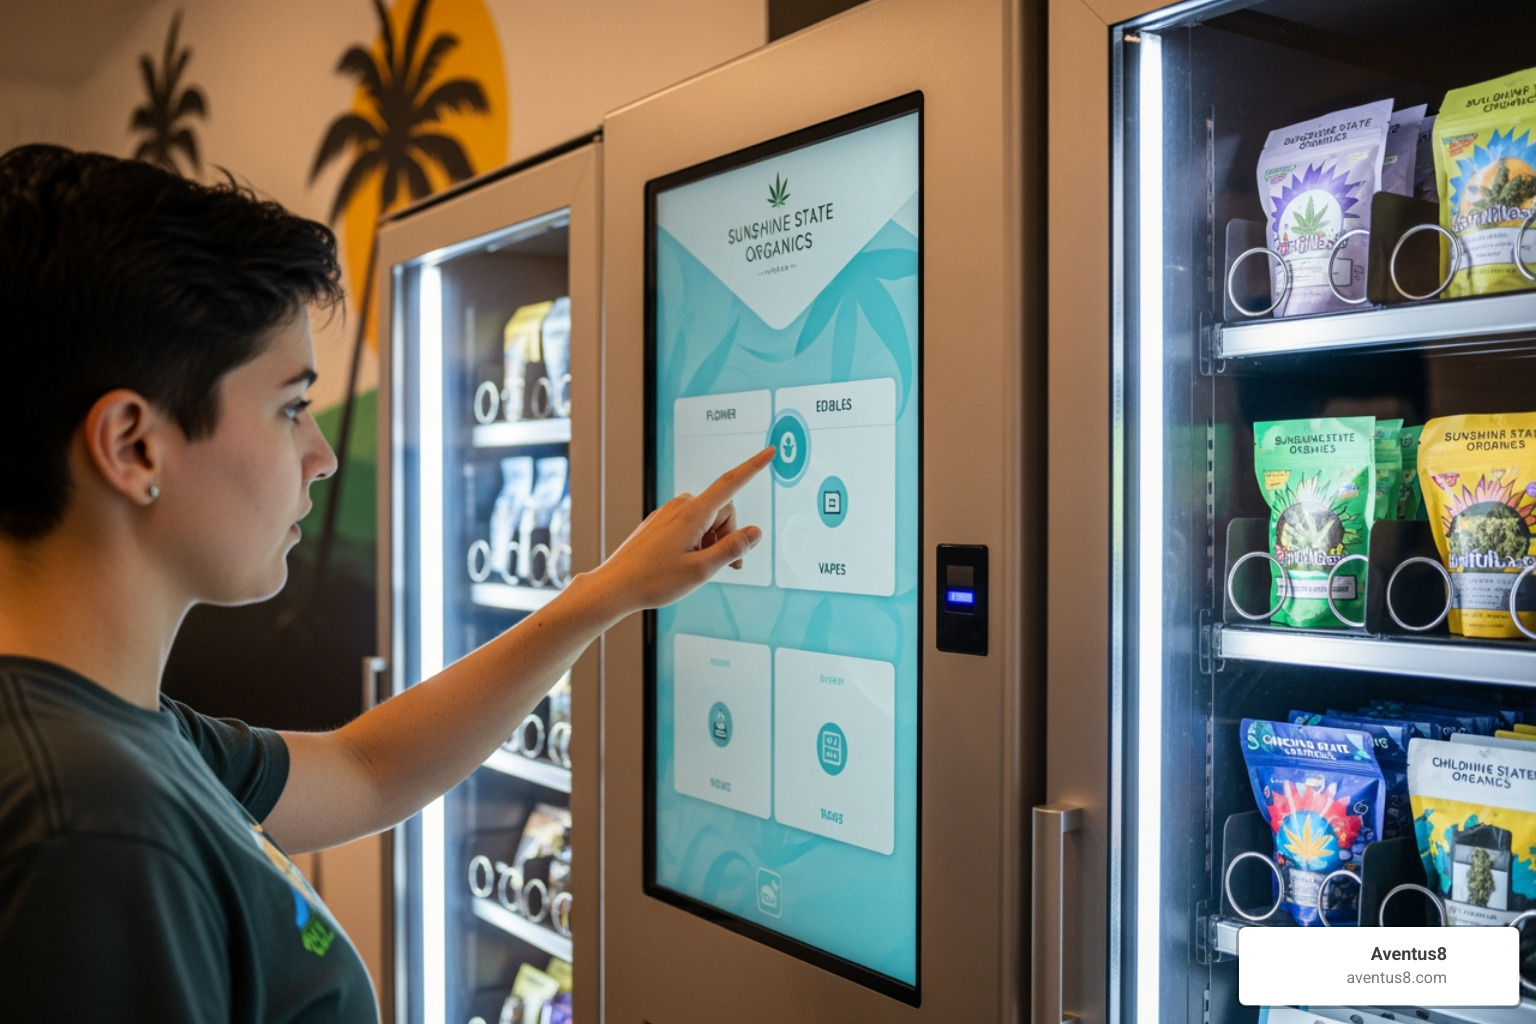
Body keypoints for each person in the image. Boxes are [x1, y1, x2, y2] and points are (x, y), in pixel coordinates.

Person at [0, 144, 770, 1022]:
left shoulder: (115, 731)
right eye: (291, 408)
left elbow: (367, 770)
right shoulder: (86, 825)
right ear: (134, 445)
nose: (322, 457)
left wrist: (606, 592)